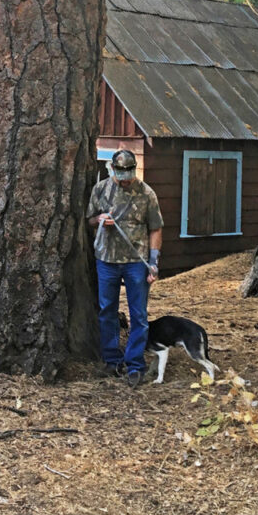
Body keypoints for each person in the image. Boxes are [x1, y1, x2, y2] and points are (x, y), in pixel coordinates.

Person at [86, 149, 163, 388]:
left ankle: (135, 364)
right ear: (112, 170)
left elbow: (156, 228)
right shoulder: (101, 190)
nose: (125, 177)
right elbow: (89, 219)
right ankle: (112, 359)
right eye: (120, 172)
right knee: (107, 309)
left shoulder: (146, 193)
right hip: (106, 260)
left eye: (129, 172)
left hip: (135, 263)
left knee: (138, 314)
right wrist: (99, 221)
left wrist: (153, 262)